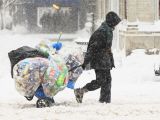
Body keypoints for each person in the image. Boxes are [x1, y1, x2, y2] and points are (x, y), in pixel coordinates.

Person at [74, 11, 121, 103]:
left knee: (107, 80)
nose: (115, 26)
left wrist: (111, 61)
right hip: (99, 60)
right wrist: (85, 62)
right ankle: (80, 91)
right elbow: (92, 48)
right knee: (101, 81)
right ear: (111, 22)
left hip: (105, 60)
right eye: (115, 23)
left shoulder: (108, 30)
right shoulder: (101, 32)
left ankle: (105, 100)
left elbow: (107, 48)